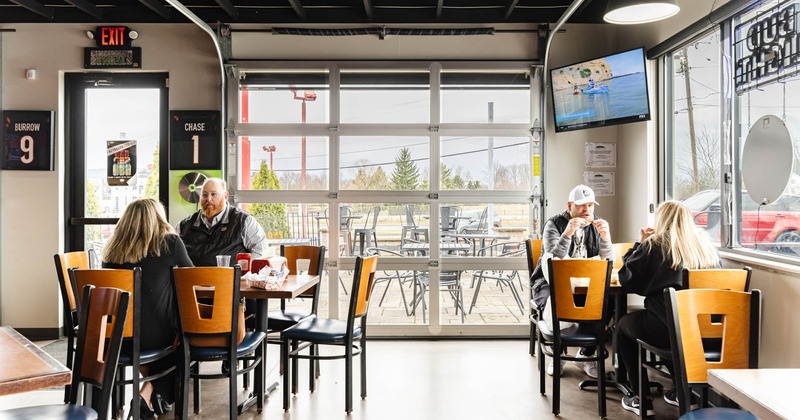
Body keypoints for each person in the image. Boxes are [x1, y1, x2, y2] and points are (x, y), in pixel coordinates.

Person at [616, 200, 720, 417]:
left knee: (623, 327)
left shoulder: (656, 245)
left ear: (661, 220)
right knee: (671, 327)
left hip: (669, 329)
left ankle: (640, 397)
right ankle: (685, 394)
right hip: (706, 332)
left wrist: (639, 244)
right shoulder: (705, 246)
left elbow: (627, 278)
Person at [102, 198, 193, 418]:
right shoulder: (170, 243)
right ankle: (147, 393)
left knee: (160, 334)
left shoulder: (111, 252)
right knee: (185, 344)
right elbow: (191, 279)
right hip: (154, 337)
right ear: (158, 218)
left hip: (112, 338)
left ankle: (151, 397)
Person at [530, 184, 613, 379]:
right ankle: (558, 353)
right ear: (570, 205)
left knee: (606, 303)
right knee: (558, 302)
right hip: (549, 282)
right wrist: (567, 234)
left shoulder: (598, 223)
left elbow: (607, 261)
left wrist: (606, 238)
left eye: (590, 205)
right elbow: (553, 262)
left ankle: (587, 352)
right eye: (582, 205)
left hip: (585, 282)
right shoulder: (554, 224)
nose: (587, 210)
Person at [178, 177, 269, 266]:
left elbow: (261, 250)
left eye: (214, 194)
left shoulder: (243, 221)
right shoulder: (184, 225)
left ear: (225, 196)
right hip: (192, 280)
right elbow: (171, 253)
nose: (208, 199)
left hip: (232, 280)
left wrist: (244, 274)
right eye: (204, 195)